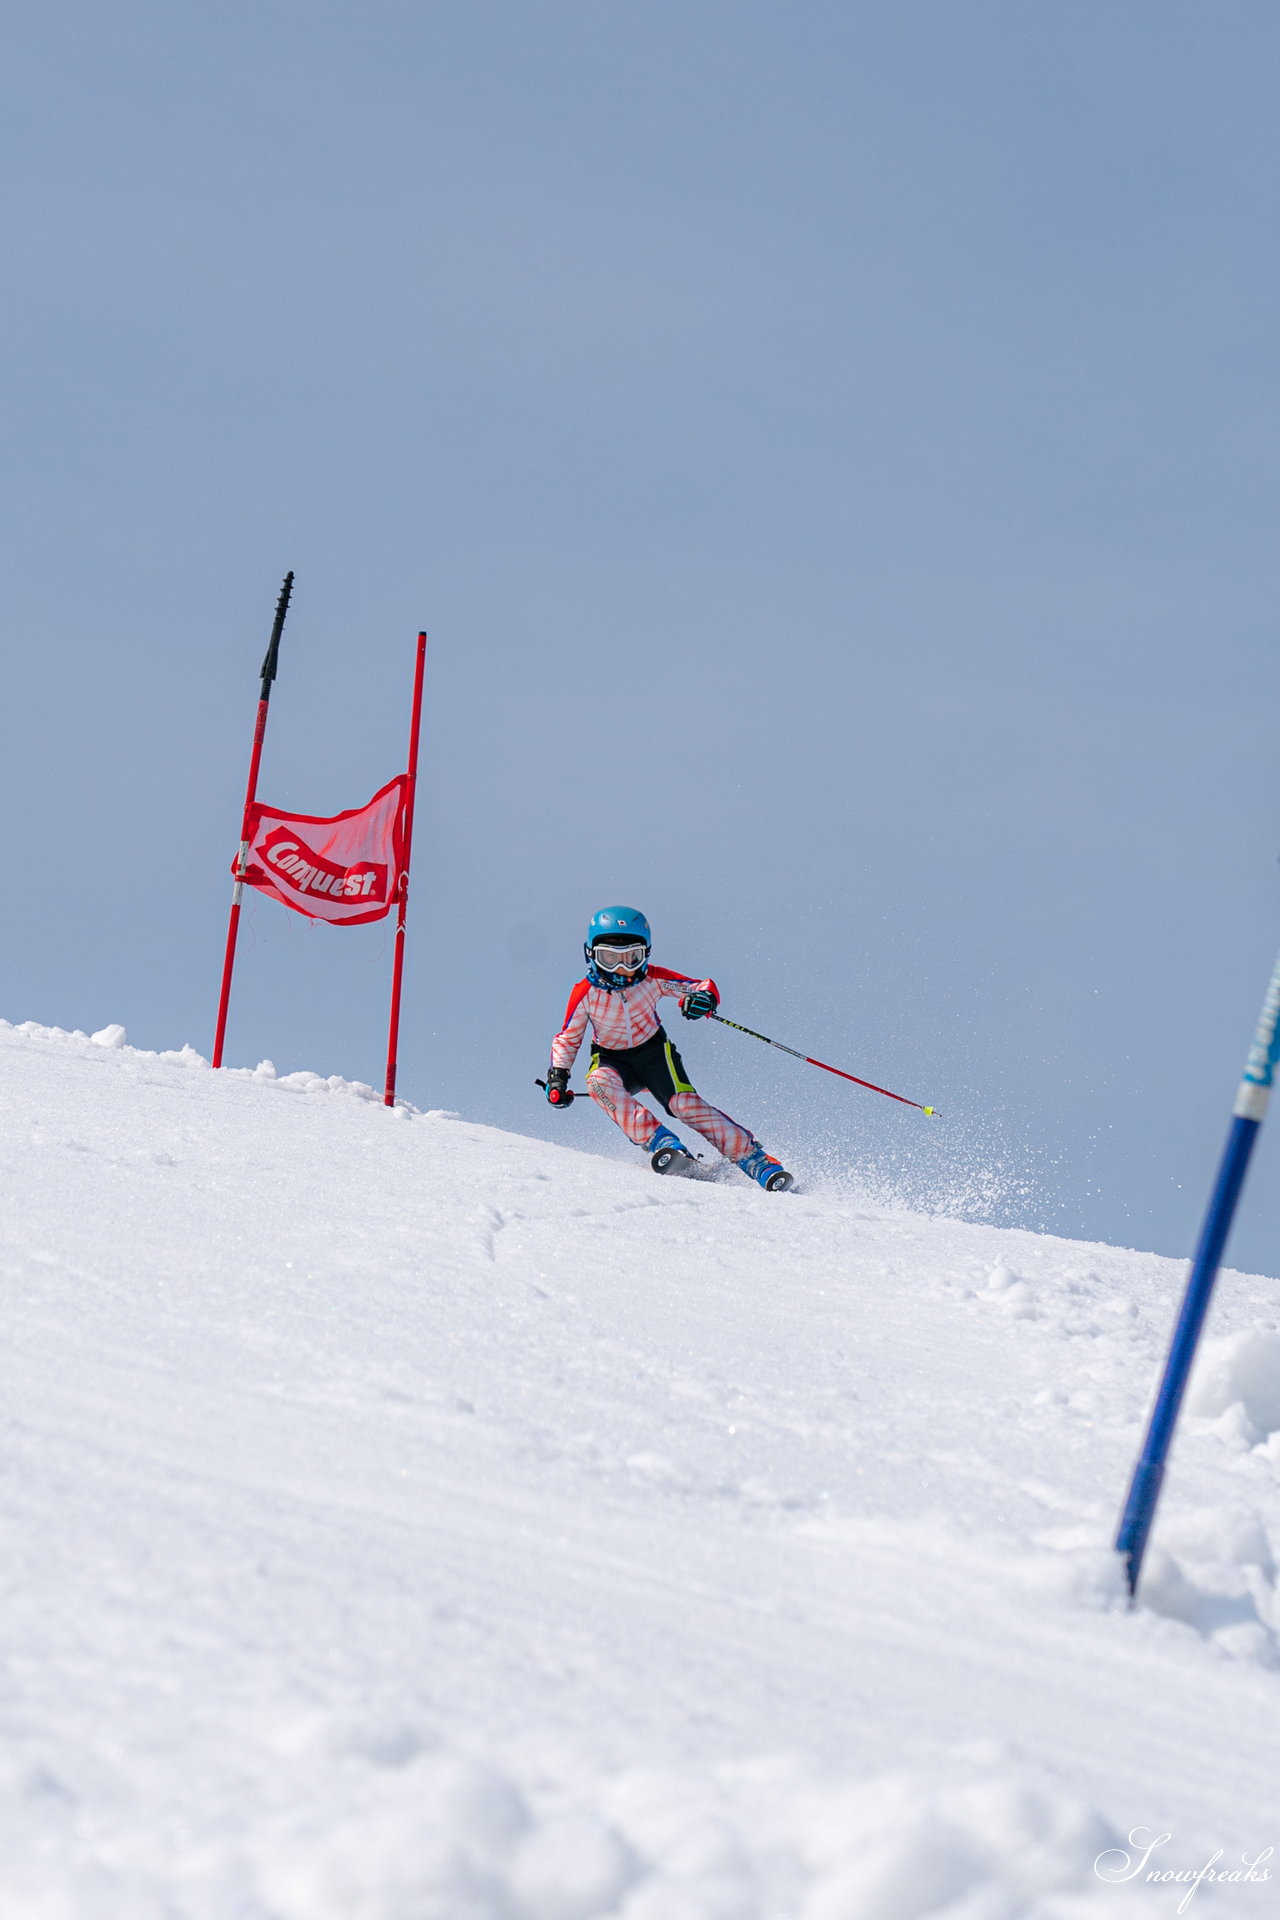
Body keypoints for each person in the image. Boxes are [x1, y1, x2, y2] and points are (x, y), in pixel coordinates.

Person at [545, 906, 793, 1191]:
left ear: (646, 954)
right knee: (598, 1083)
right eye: (610, 959)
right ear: (591, 954)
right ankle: (663, 1144)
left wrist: (702, 1000)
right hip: (612, 1059)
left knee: (684, 1105)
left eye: (632, 958)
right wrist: (558, 1077)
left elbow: (701, 986)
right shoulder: (585, 993)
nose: (622, 969)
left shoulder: (652, 978)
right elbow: (568, 1038)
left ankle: (757, 1162)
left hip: (655, 1055)